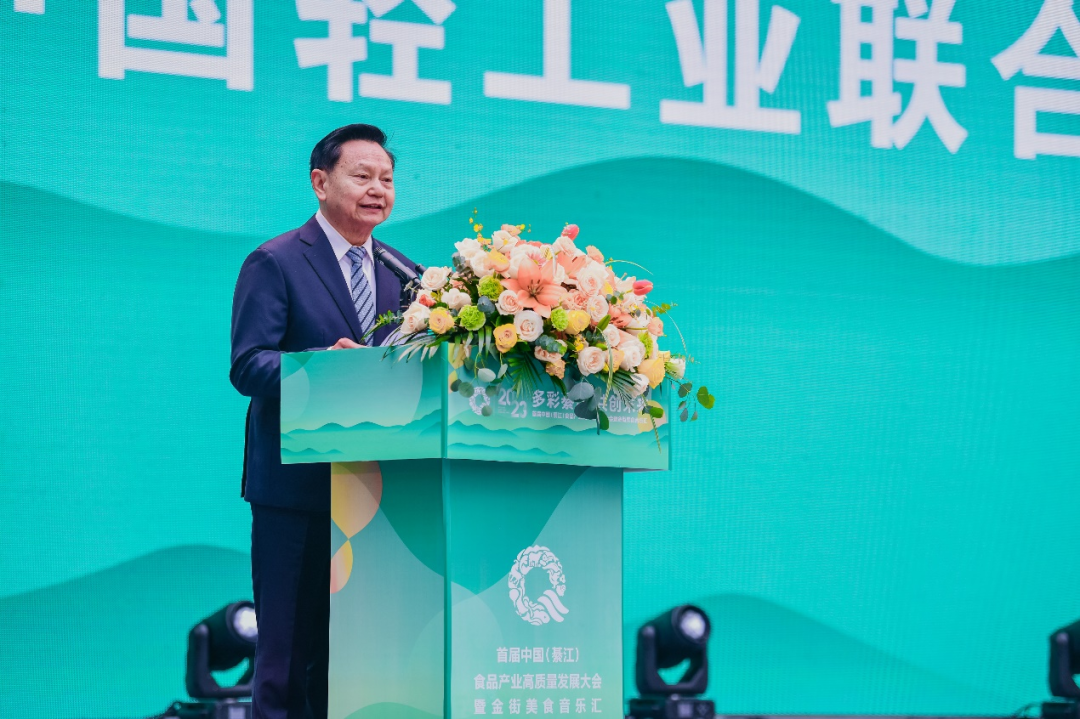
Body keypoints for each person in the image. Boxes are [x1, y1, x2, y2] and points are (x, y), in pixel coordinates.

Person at [229, 124, 417, 719]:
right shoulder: (276, 261)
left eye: (387, 179)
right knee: (287, 658)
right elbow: (248, 365)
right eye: (362, 176)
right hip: (297, 490)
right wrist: (321, 368)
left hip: (377, 494)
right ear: (320, 182)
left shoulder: (406, 274)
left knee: (351, 662)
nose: (377, 190)